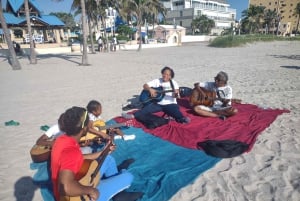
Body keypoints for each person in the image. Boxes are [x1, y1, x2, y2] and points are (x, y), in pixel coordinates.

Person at [51, 106, 143, 201]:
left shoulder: (61, 140)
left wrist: (102, 153)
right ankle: (119, 179)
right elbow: (66, 187)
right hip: (80, 197)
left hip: (79, 180)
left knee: (108, 159)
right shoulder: (71, 151)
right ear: (85, 128)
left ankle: (119, 194)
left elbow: (78, 158)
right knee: (128, 177)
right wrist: (91, 191)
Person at [122, 66, 190, 124]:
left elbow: (175, 96)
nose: (165, 75)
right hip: (159, 103)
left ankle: (182, 119)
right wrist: (150, 89)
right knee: (146, 110)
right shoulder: (158, 81)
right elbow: (145, 85)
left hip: (170, 103)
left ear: (170, 76)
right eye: (164, 73)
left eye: (167, 74)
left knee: (175, 112)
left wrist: (175, 93)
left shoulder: (174, 83)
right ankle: (132, 116)